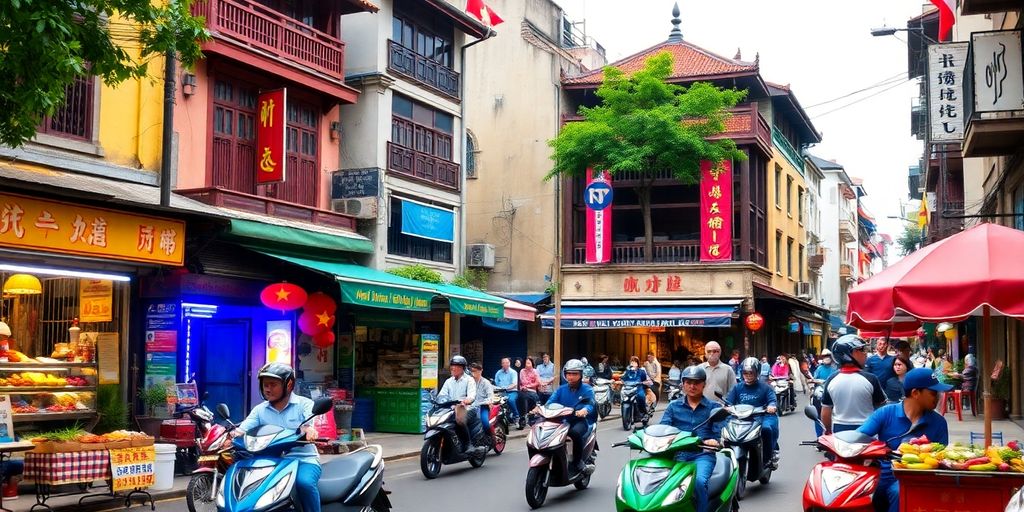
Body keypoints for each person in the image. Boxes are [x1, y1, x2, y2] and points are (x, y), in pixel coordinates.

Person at [858, 368, 951, 512]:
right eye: (933, 393)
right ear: (915, 393)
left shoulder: (939, 422)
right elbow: (860, 436)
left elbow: (941, 457)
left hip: (915, 479)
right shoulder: (886, 413)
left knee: (899, 492)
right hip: (883, 475)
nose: (938, 397)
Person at [232, 363, 321, 512]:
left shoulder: (304, 404)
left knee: (304, 483)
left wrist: (310, 430)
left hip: (303, 460)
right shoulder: (260, 410)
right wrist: (231, 436)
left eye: (273, 385)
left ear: (289, 384)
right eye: (265, 385)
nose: (268, 389)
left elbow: (308, 425)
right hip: (270, 462)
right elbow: (243, 429)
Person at [660, 366, 722, 512]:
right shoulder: (673, 407)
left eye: (696, 382)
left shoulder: (713, 408)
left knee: (698, 482)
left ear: (704, 384)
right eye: (688, 382)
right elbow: (663, 429)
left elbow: (718, 432)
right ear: (683, 384)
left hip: (702, 455)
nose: (692, 386)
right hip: (676, 454)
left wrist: (713, 441)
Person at [534, 359, 596, 476]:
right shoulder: (561, 389)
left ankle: (578, 463)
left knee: (575, 434)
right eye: (569, 374)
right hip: (560, 421)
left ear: (581, 375)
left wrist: (584, 410)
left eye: (574, 374)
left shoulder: (587, 389)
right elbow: (549, 403)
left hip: (578, 421)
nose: (571, 377)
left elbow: (591, 404)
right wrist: (539, 409)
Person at [820, 335, 886, 434]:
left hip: (839, 430)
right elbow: (881, 409)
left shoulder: (831, 379)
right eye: (862, 350)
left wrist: (828, 432)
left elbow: (826, 411)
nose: (865, 354)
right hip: (868, 429)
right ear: (851, 353)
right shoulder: (871, 379)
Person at [725, 357, 779, 464]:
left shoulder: (765, 387)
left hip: (762, 416)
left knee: (766, 430)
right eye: (745, 373)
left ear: (757, 373)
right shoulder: (737, 388)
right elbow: (729, 402)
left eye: (751, 373)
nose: (748, 375)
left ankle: (768, 457)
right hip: (741, 417)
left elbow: (772, 400)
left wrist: (771, 406)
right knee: (724, 430)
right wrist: (726, 408)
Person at [436, 355, 485, 453]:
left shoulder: (469, 380)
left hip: (468, 408)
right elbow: (442, 395)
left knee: (459, 419)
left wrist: (466, 401)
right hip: (451, 408)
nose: (453, 368)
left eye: (457, 366)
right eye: (452, 365)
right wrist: (439, 400)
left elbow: (471, 395)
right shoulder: (448, 381)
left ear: (462, 368)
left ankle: (468, 444)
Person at [494, 357, 521, 428]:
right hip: (501, 392)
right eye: (503, 363)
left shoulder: (513, 372)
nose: (505, 364)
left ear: (509, 363)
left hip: (512, 391)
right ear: (501, 364)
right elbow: (496, 383)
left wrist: (505, 388)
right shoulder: (498, 373)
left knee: (511, 400)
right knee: (495, 401)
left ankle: (516, 416)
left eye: (506, 362)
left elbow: (514, 384)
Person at [469, 362, 495, 436]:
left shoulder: (486, 383)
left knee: (485, 422)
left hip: (482, 406)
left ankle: (489, 437)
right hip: (470, 406)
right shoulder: (469, 382)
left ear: (481, 371)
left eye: (475, 371)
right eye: (472, 371)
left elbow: (490, 397)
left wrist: (485, 402)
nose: (473, 373)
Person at [519, 357, 541, 428]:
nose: (527, 365)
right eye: (526, 363)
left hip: (532, 391)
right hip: (524, 391)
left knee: (529, 397)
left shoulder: (535, 371)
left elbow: (537, 382)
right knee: (523, 397)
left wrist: (527, 386)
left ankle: (524, 417)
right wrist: (528, 385)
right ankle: (524, 417)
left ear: (532, 363)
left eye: (529, 363)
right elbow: (523, 381)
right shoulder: (522, 371)